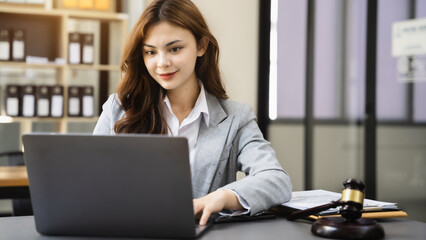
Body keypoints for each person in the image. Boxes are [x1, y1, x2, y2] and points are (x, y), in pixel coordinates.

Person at [93, 0, 292, 226]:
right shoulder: (118, 109)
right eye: (150, 52)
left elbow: (276, 180)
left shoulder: (236, 118)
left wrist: (221, 197)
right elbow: (90, 180)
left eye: (174, 49)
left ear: (201, 46)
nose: (162, 63)